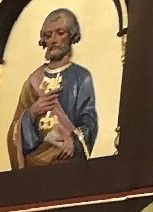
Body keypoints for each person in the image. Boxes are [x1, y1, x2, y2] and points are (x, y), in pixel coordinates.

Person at [7, 8, 100, 168]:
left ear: (72, 36)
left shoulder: (80, 76)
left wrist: (73, 141)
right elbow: (15, 129)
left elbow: (89, 120)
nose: (54, 40)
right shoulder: (33, 81)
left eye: (60, 33)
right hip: (34, 164)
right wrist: (32, 112)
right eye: (48, 36)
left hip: (66, 161)